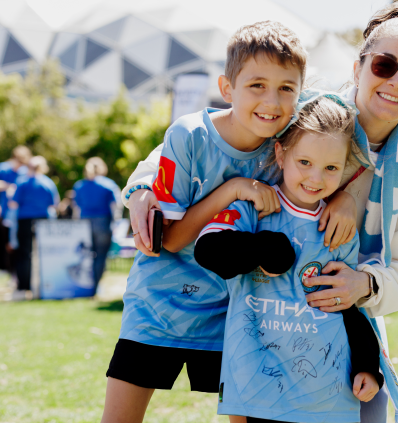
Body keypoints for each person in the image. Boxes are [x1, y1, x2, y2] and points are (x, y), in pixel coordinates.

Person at [124, 2, 398, 420]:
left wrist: (363, 283)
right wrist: (142, 185)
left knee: (364, 412)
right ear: (358, 68)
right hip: (262, 305)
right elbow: (214, 134)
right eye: (383, 65)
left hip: (340, 312)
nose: (395, 82)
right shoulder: (311, 110)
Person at [102, 21, 361, 423]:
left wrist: (345, 196)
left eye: (286, 88)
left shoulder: (286, 143)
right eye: (257, 85)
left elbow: (335, 145)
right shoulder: (190, 136)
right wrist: (232, 189)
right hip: (159, 306)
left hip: (235, 314)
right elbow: (171, 240)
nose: (271, 101)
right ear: (227, 88)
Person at [195, 95, 383, 422]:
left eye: (331, 168)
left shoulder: (340, 227)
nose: (315, 178)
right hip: (255, 385)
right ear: (281, 154)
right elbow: (207, 250)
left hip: (325, 392)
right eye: (305, 162)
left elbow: (348, 308)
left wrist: (368, 365)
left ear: (345, 169)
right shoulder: (254, 207)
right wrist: (263, 247)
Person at [10, 156, 59, 294]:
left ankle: (24, 286)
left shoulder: (22, 182)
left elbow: (13, 203)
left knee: (24, 253)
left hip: (25, 220)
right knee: (44, 253)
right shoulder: (48, 183)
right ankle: (44, 284)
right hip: (43, 220)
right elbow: (55, 204)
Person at [73, 157, 121, 294]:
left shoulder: (80, 185)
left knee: (86, 255)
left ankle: (86, 285)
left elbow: (76, 208)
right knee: (100, 256)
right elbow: (116, 206)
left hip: (84, 224)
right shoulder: (108, 184)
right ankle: (96, 287)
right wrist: (116, 223)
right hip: (102, 224)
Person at [0, 145, 31, 273]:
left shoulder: (25, 171)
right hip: (4, 212)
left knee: (18, 244)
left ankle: (16, 271)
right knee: (3, 242)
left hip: (20, 214)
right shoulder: (3, 168)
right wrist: (7, 186)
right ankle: (3, 268)